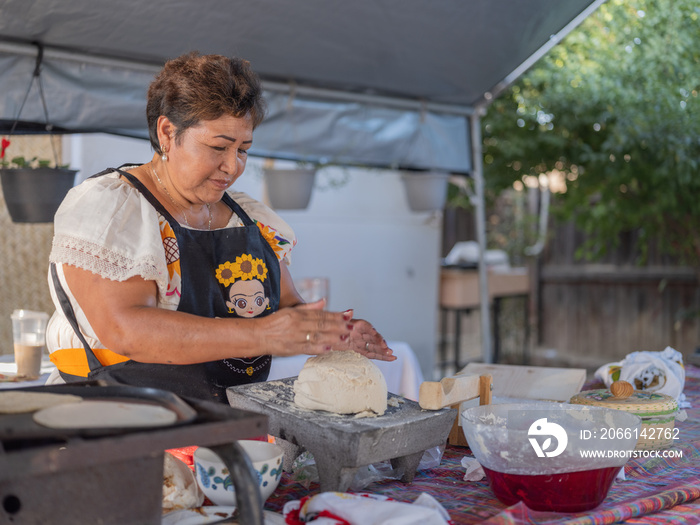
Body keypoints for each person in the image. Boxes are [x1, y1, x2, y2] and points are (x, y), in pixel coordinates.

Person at [45, 52, 395, 403]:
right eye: (218, 147)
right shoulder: (111, 207)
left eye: (243, 149)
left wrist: (327, 332)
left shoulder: (248, 216)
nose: (233, 166)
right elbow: (126, 330)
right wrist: (261, 334)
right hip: (120, 420)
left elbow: (288, 311)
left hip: (226, 420)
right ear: (167, 132)